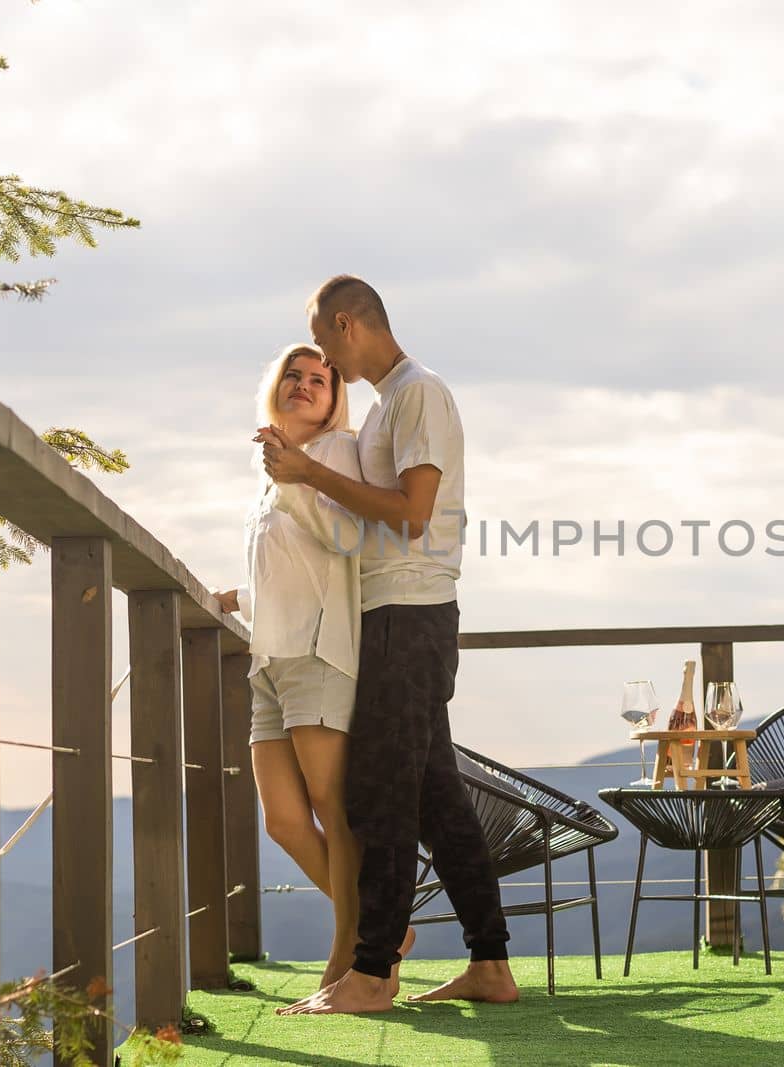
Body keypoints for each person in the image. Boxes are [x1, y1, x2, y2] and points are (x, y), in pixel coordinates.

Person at [259, 275, 518, 1015]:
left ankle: (371, 972)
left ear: (347, 325)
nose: (324, 361)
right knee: (438, 801)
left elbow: (411, 514)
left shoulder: (418, 394)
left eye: (324, 342)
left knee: (382, 796)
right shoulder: (383, 409)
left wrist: (308, 471)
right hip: (389, 614)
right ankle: (491, 962)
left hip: (411, 615)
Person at [212, 343, 366, 997]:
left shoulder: (338, 453)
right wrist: (233, 597)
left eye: (320, 380)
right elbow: (287, 567)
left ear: (335, 399)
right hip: (269, 660)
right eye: (295, 376)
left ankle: (349, 961)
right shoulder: (266, 472)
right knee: (282, 818)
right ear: (275, 387)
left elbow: (347, 538)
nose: (306, 385)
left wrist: (296, 475)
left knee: (334, 809)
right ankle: (381, 927)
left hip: (320, 654)